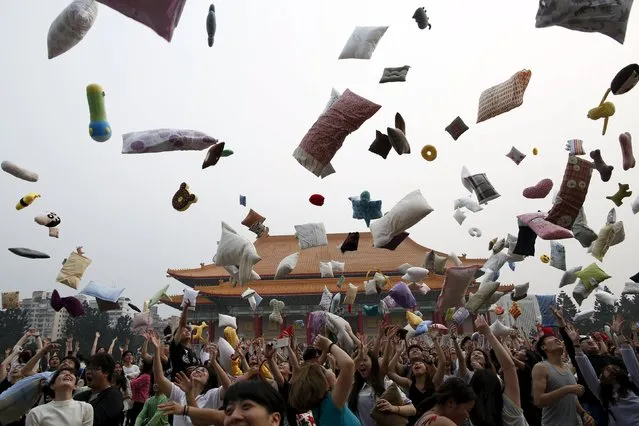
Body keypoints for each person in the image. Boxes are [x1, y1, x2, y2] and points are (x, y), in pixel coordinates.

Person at [147, 330, 230, 426]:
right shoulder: (179, 393)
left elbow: (228, 387)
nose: (198, 371)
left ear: (209, 381)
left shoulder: (212, 395)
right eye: (196, 369)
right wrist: (157, 350)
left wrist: (214, 362)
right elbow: (159, 378)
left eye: (203, 371)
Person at [574, 316, 639, 426]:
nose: (609, 367)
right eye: (606, 369)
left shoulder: (634, 383)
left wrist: (619, 334)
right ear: (601, 377)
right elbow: (586, 369)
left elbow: (630, 359)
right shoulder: (602, 393)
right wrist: (576, 344)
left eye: (614, 368)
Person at [288, 335, 360, 426]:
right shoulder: (331, 405)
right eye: (325, 370)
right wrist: (329, 345)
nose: (329, 370)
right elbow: (349, 365)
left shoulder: (312, 411)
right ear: (323, 383)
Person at [158, 380, 285, 426]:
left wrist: (185, 409)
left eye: (246, 406)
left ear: (274, 420)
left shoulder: (211, 394)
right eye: (229, 411)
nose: (234, 416)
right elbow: (199, 421)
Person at [531, 334, 594, 426]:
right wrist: (567, 389)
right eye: (551, 338)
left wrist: (583, 413)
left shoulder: (567, 367)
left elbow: (572, 398)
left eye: (557, 338)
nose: (556, 339)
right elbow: (538, 401)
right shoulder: (541, 367)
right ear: (543, 347)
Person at [26, 367, 93, 426]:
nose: (68, 374)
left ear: (75, 386)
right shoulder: (36, 413)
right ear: (52, 385)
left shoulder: (85, 408)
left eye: (72, 374)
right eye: (62, 373)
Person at [74, 353, 125, 426]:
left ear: (106, 373)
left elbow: (95, 420)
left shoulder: (114, 396)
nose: (88, 372)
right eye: (88, 368)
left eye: (94, 368)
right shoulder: (80, 396)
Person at [128, 360, 152, 426]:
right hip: (139, 400)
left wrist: (130, 380)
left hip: (140, 401)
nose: (140, 364)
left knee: (135, 420)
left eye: (142, 363)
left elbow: (133, 384)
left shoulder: (145, 376)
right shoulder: (144, 375)